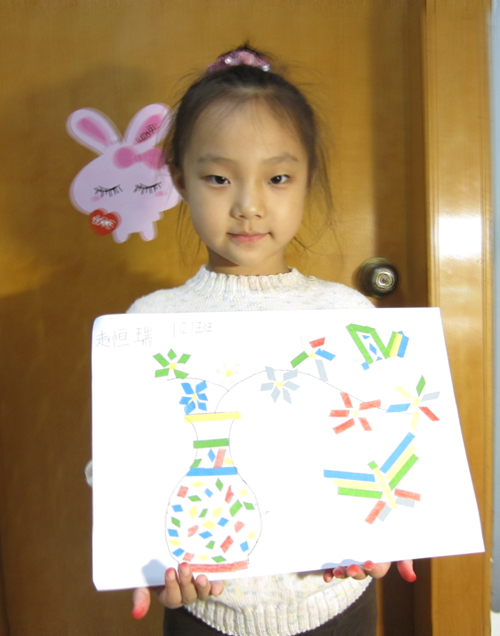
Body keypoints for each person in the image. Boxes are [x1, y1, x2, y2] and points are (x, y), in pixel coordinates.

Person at [127, 45, 416, 636]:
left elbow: (387, 440)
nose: (249, 205)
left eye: (278, 178)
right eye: (218, 178)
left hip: (338, 600)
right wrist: (135, 546)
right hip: (204, 607)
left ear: (308, 179)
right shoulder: (149, 323)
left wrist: (400, 523)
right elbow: (127, 456)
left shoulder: (348, 314)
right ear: (180, 180)